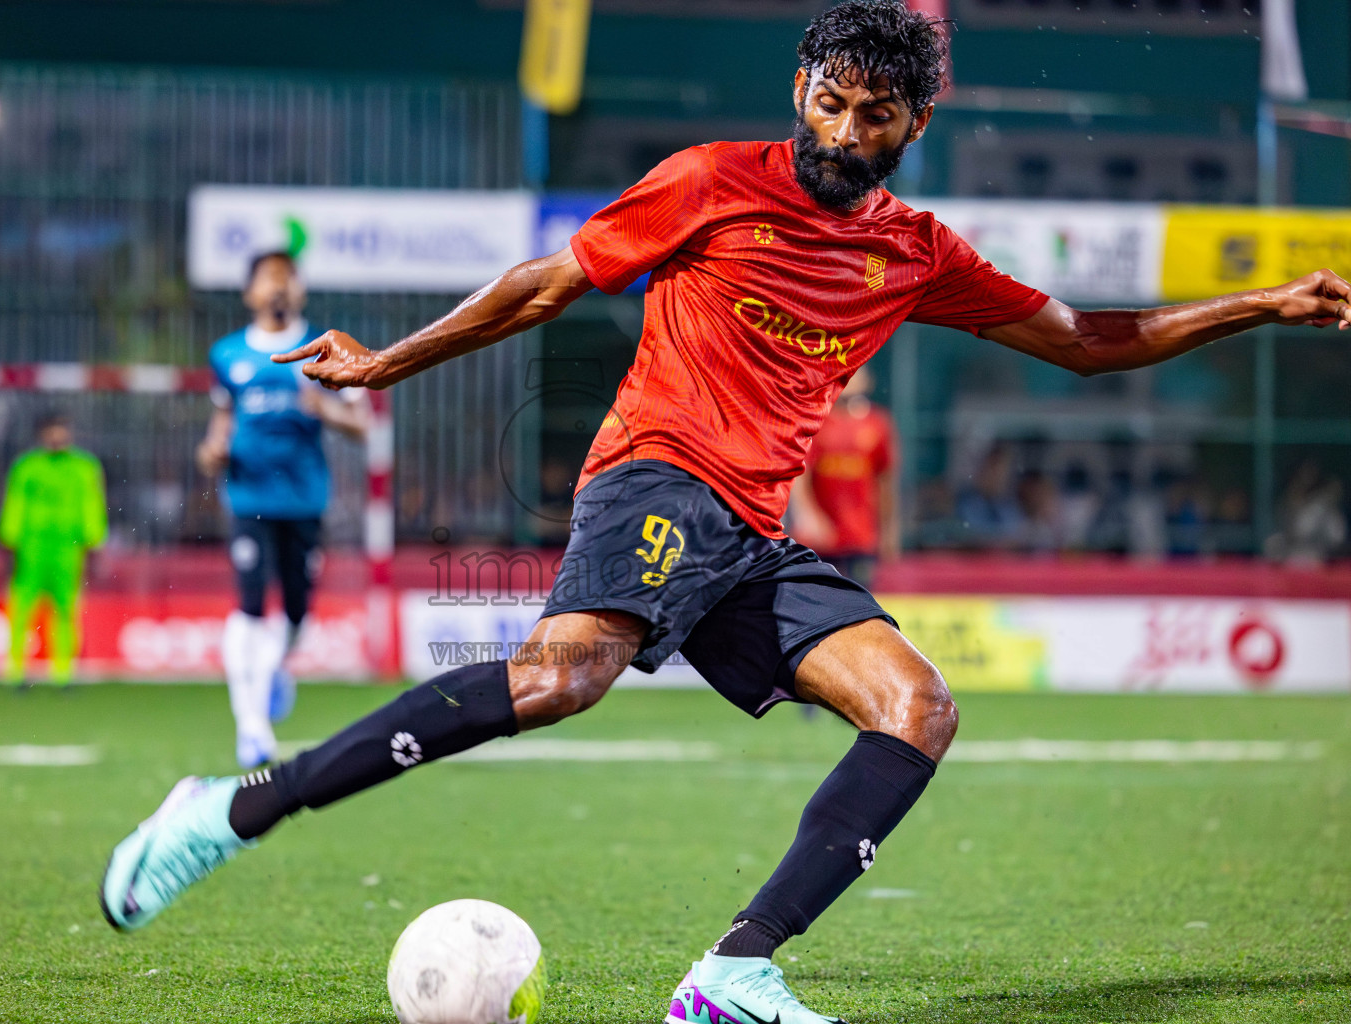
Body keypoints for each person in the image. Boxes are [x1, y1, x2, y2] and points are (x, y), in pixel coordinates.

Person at [100, 4, 1351, 1021]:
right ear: (801, 84)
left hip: (750, 531)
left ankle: (731, 973)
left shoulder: (915, 251)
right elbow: (545, 284)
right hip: (656, 472)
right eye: (827, 96)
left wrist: (1262, 303)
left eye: (873, 114)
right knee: (560, 680)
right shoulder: (712, 181)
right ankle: (228, 809)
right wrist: (388, 363)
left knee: (917, 707)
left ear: (915, 124)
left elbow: (1084, 340)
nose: (841, 126)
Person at [196, 250, 369, 768]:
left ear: (301, 290)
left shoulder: (326, 347)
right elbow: (219, 428)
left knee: (297, 614)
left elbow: (364, 427)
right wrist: (211, 453)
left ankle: (275, 669)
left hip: (304, 501)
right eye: (267, 279)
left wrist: (328, 410)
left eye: (287, 279)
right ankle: (251, 727)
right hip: (248, 499)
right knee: (250, 605)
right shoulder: (227, 355)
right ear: (249, 293)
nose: (278, 288)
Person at [0, 412, 107, 687]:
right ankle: (16, 672)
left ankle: (63, 674)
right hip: (31, 547)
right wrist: (8, 541)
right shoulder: (27, 467)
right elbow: (15, 504)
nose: (57, 437)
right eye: (51, 431)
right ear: (42, 434)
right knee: (21, 610)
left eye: (61, 431)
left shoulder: (84, 467)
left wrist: (94, 542)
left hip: (68, 548)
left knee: (66, 610)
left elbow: (92, 504)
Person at [787, 365, 897, 588]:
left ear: (868, 382)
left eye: (858, 374)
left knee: (861, 604)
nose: (851, 378)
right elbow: (800, 474)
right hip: (821, 538)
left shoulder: (878, 423)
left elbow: (885, 481)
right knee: (820, 603)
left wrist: (890, 530)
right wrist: (810, 515)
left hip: (860, 536)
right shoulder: (817, 419)